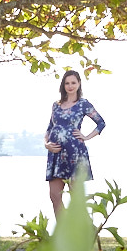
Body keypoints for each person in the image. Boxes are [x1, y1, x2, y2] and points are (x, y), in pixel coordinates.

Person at [43, 70, 106, 216]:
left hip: (74, 154)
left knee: (75, 196)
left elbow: (101, 123)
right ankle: (63, 233)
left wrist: (86, 137)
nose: (70, 86)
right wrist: (46, 144)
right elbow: (49, 128)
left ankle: (84, 232)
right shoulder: (56, 105)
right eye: (67, 83)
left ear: (78, 84)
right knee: (54, 195)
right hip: (56, 155)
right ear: (63, 85)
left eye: (73, 83)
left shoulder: (83, 104)